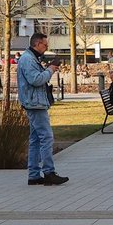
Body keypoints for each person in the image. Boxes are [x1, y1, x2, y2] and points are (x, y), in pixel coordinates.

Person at [18, 32, 68, 186]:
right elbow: (36, 80)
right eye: (45, 45)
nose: (46, 48)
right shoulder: (28, 59)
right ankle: (49, 172)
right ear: (37, 44)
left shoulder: (30, 58)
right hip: (35, 103)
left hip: (34, 102)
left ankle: (33, 175)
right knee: (46, 137)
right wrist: (51, 70)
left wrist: (47, 69)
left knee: (35, 140)